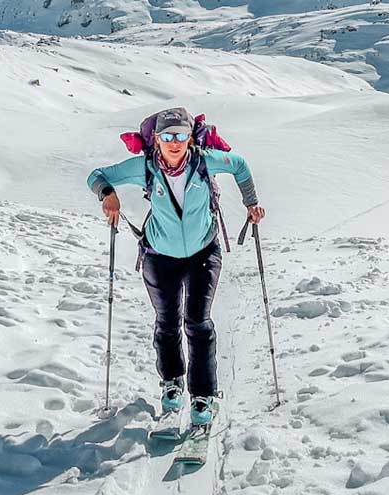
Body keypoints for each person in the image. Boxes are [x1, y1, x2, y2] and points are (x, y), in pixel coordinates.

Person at [86, 106, 264, 429]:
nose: (174, 142)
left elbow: (239, 165)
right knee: (167, 322)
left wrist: (251, 203)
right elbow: (96, 176)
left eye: (181, 135)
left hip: (203, 253)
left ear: (188, 138)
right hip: (159, 255)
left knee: (197, 322)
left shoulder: (204, 162)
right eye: (167, 136)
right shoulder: (146, 167)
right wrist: (107, 194)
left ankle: (203, 395)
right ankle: (172, 383)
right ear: (156, 139)